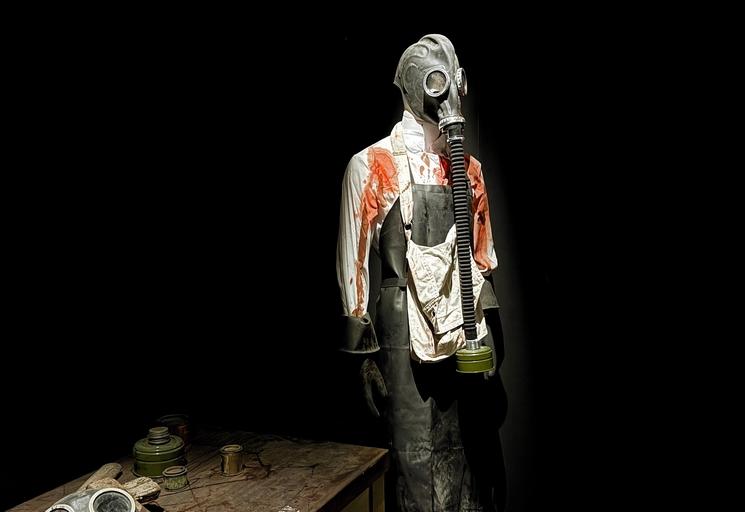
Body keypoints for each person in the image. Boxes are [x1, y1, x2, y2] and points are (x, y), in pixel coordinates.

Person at [336, 34, 507, 511]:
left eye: (455, 81)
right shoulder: (372, 165)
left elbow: (480, 259)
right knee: (412, 465)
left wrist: (487, 338)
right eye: (437, 81)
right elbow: (353, 264)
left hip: (463, 331)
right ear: (415, 85)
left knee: (465, 462)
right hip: (401, 335)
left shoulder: (469, 171)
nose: (449, 95)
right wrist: (362, 357)